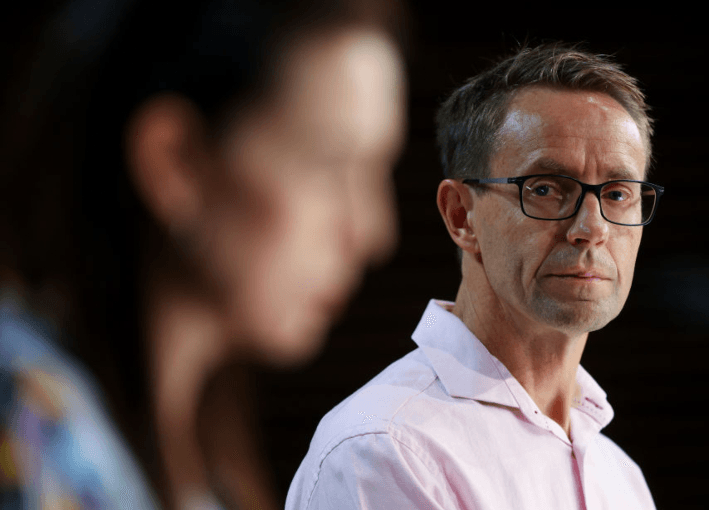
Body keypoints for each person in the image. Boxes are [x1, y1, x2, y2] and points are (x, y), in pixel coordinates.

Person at [0, 0, 406, 508]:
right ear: (177, 163)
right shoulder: (27, 417)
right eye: (329, 167)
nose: (373, 232)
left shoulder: (206, 462)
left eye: (377, 170)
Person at [286, 42, 663, 509]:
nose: (592, 229)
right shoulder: (386, 450)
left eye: (618, 194)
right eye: (545, 189)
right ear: (461, 215)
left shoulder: (621, 479)